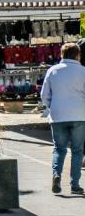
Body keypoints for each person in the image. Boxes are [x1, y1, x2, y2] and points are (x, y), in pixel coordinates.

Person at [41, 43, 85, 194]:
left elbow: (44, 95)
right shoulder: (83, 71)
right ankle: (75, 185)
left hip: (58, 115)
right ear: (78, 55)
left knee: (59, 149)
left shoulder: (52, 71)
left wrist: (51, 106)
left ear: (62, 54)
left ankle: (56, 175)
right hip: (79, 115)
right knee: (78, 150)